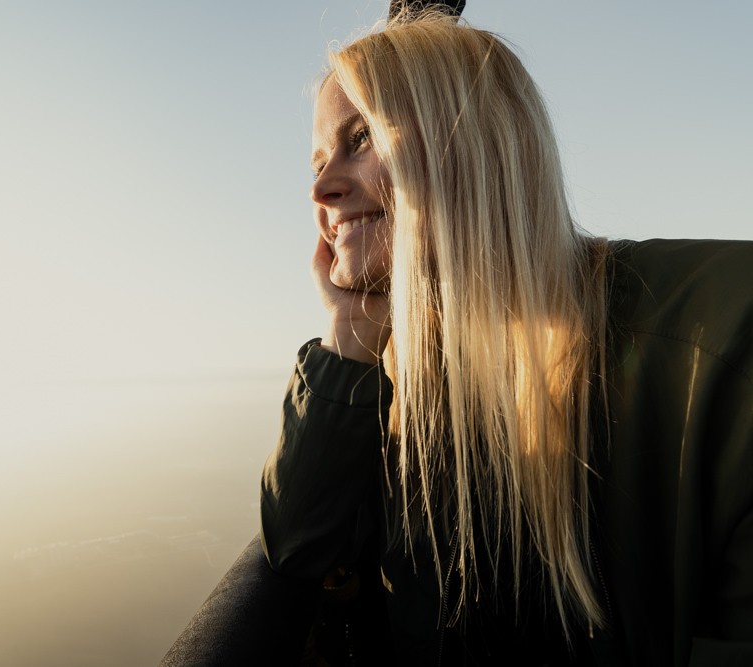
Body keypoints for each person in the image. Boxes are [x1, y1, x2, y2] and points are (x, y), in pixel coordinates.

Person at [259, 8, 753, 665]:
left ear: (470, 140)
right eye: (320, 159)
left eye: (360, 138)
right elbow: (299, 547)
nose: (320, 187)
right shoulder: (399, 364)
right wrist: (348, 334)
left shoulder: (721, 344)